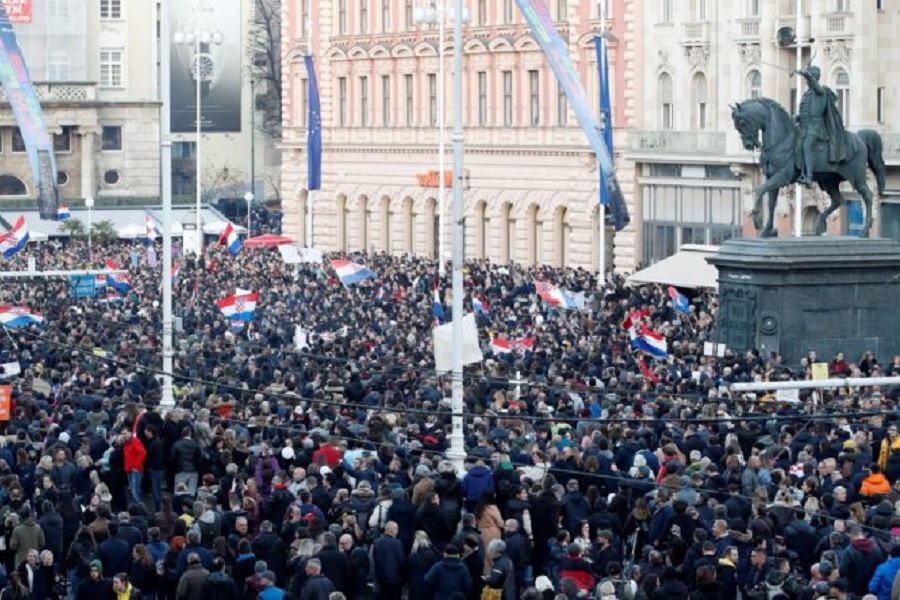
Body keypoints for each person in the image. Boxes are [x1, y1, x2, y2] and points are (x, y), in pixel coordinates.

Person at [794, 64, 849, 187]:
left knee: (807, 145)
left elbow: (815, 86)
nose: (807, 81)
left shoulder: (821, 91)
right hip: (805, 127)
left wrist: (806, 74)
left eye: (809, 78)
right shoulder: (807, 94)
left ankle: (809, 177)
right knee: (795, 145)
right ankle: (800, 172)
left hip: (816, 128)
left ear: (814, 77)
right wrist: (797, 118)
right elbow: (806, 113)